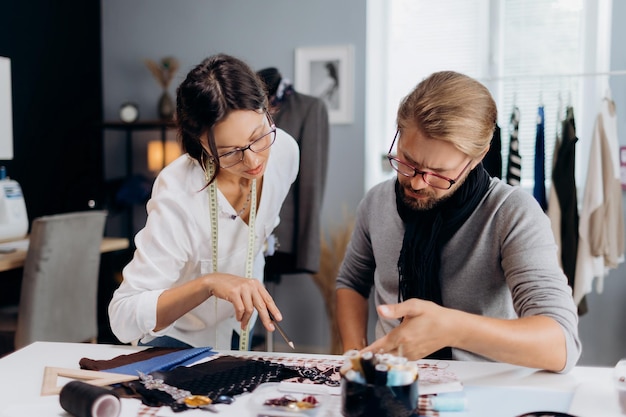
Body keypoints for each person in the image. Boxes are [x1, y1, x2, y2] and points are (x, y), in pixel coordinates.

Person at [335, 71, 581, 373]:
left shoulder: (512, 213)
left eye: (438, 172)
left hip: (483, 391)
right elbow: (351, 283)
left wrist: (453, 328)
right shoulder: (376, 201)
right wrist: (357, 357)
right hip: (389, 383)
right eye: (407, 161)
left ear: (478, 156)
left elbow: (562, 345)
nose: (417, 183)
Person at [108, 54, 300, 350]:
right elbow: (122, 316)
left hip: (237, 333)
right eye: (230, 151)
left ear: (268, 110)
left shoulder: (284, 152)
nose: (252, 161)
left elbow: (259, 233)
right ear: (201, 145)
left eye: (258, 136)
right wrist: (208, 283)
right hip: (174, 339)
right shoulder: (178, 192)